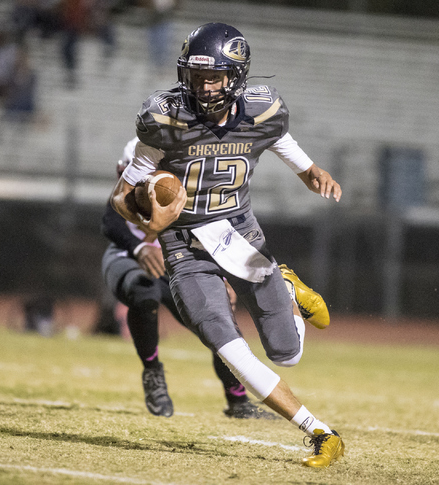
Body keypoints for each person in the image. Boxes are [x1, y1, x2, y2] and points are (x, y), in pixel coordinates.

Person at [110, 23, 344, 467]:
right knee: (225, 343)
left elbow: (284, 144)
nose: (204, 86)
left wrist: (313, 173)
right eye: (196, 76)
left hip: (240, 236)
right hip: (184, 244)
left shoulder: (261, 111)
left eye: (214, 77)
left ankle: (287, 286)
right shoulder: (165, 117)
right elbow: (121, 196)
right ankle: (319, 431)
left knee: (287, 353)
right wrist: (150, 215)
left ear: (236, 76)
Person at [101, 138, 278, 419]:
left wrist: (225, 278)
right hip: (128, 258)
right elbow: (110, 221)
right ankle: (152, 372)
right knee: (144, 294)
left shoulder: (190, 192)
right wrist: (139, 248)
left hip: (179, 265)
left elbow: (214, 237)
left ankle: (238, 400)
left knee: (218, 321)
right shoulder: (127, 189)